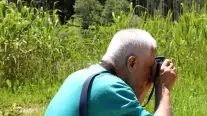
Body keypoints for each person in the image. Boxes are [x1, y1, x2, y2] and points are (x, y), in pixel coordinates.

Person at [45, 28, 177, 116]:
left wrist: (145, 85)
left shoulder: (78, 76)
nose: (151, 75)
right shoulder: (110, 88)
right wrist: (163, 87)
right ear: (132, 63)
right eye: (149, 67)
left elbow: (132, 105)